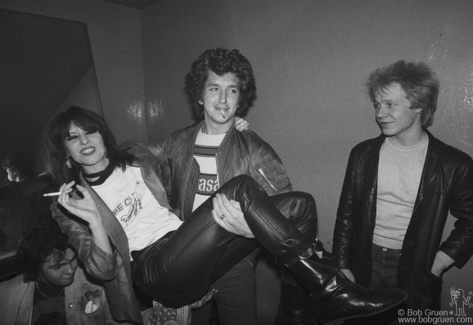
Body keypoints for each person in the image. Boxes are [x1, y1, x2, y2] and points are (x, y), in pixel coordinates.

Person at [44, 106, 407, 325]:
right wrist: (93, 219)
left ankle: (309, 303)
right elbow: (102, 271)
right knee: (240, 187)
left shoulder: (138, 159)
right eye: (73, 138)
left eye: (90, 131)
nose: (85, 141)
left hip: (190, 245)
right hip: (155, 268)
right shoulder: (70, 203)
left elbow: (185, 153)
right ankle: (331, 288)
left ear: (103, 135)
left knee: (301, 205)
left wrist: (234, 132)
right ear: (66, 152)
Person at [159, 48, 307, 325]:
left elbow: (286, 211)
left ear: (241, 99)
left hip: (235, 264)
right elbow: (160, 201)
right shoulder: (175, 144)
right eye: (214, 88)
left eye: (232, 91)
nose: (223, 100)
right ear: (199, 95)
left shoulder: (255, 149)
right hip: (186, 260)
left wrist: (252, 230)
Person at [332, 60, 473, 322]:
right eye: (377, 104)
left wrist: (439, 262)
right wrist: (342, 265)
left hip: (415, 269)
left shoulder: (454, 164)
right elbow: (346, 215)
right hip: (365, 262)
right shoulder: (362, 155)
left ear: (418, 105)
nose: (379, 113)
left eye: (390, 105)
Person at [0, 220, 116, 324]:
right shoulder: (6, 296)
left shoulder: (96, 280)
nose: (70, 270)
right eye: (58, 266)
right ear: (36, 267)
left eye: (73, 259)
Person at [0, 152, 56, 251]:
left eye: (7, 172)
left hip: (21, 249)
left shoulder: (16, 196)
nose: (7, 177)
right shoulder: (44, 186)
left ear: (14, 172)